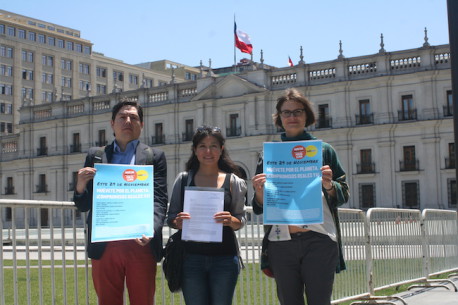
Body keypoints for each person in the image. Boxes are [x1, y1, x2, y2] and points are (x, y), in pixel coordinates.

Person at [251, 88, 350, 305]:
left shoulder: (324, 151)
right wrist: (259, 193)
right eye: (286, 112)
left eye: (297, 111)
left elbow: (343, 193)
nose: (292, 117)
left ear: (307, 116)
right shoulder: (269, 155)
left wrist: (329, 185)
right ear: (279, 118)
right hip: (281, 242)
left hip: (319, 240)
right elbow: (258, 208)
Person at [73, 100, 168, 305]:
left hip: (141, 242)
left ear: (141, 125)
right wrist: (80, 186)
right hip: (105, 244)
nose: (128, 121)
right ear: (112, 123)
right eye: (122, 117)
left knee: (143, 300)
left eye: (134, 118)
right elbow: (84, 205)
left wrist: (151, 228)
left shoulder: (155, 157)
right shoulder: (96, 156)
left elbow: (159, 199)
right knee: (107, 301)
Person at [166, 125, 247, 305]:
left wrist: (231, 220)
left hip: (225, 259)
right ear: (195, 150)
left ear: (221, 149)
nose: (208, 151)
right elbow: (171, 217)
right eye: (202, 146)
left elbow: (240, 219)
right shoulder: (183, 179)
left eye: (214, 146)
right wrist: (176, 221)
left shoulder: (235, 182)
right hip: (190, 259)